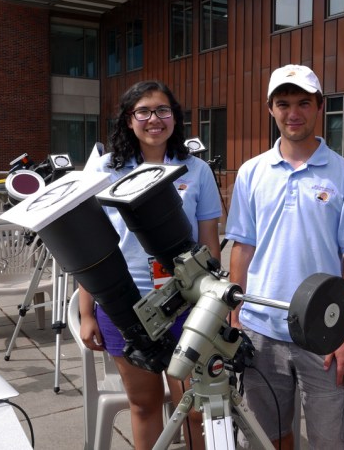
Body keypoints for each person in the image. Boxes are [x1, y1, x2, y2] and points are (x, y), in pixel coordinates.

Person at [225, 64, 344, 449]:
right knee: (267, 437)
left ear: (320, 106)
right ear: (270, 109)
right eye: (283, 103)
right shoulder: (251, 173)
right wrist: (234, 312)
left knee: (330, 441)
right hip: (261, 328)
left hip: (323, 333)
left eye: (303, 103)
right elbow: (243, 247)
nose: (293, 112)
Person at [79, 80, 222, 450]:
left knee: (193, 407)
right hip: (123, 305)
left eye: (162, 110)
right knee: (144, 405)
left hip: (186, 301)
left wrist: (214, 301)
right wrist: (86, 312)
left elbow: (209, 241)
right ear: (129, 120)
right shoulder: (107, 170)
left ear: (174, 117)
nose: (153, 119)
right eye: (142, 111)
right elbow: (92, 247)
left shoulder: (196, 170)